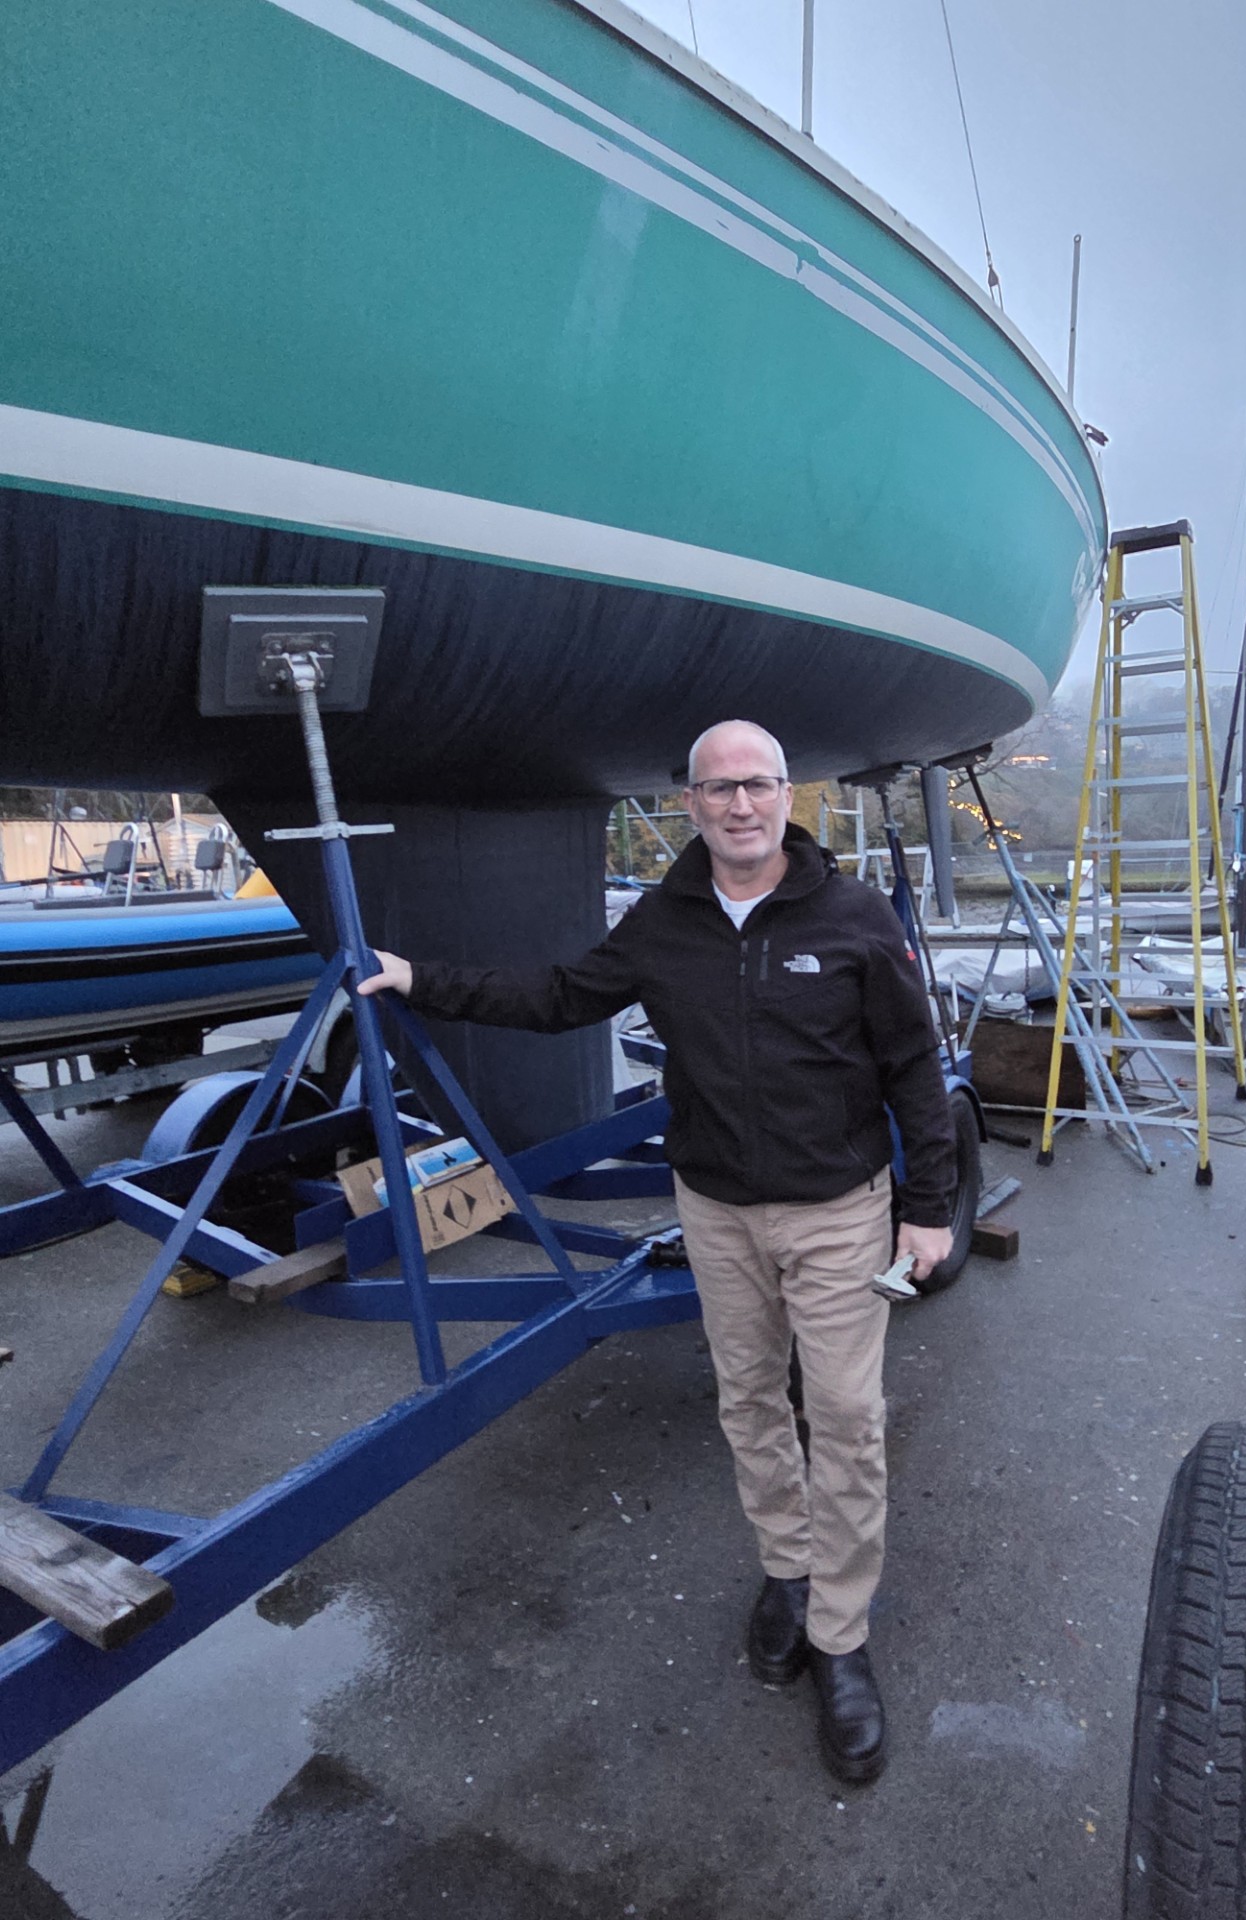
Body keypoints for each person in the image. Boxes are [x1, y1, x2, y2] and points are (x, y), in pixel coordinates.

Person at [358, 719, 955, 1784]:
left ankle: (841, 1637)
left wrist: (929, 1207)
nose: (739, 805)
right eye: (717, 789)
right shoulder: (661, 923)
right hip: (718, 1209)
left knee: (851, 1420)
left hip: (838, 1211)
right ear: (688, 804)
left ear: (787, 796)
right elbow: (554, 1000)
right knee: (749, 1402)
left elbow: (914, 1065)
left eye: (758, 786)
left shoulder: (855, 917)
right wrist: (420, 979)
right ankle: (786, 1569)